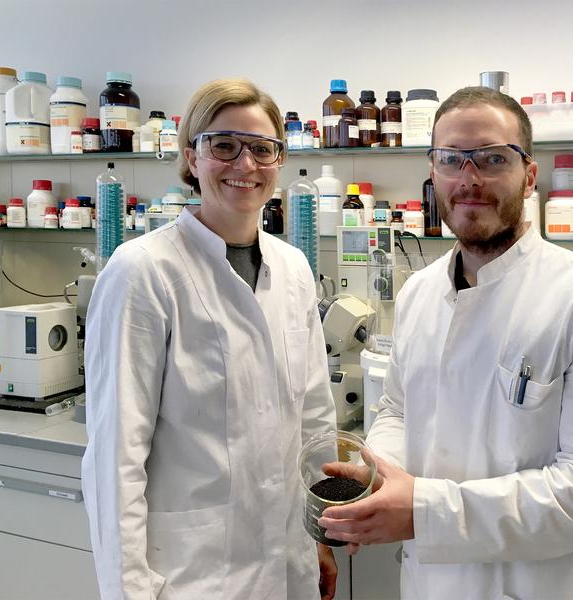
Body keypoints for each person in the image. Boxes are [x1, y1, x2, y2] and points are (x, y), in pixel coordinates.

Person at [318, 87, 573, 600]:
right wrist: (377, 474)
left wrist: (424, 512)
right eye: (452, 159)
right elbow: (398, 410)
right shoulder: (418, 294)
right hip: (431, 584)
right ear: (433, 171)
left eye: (493, 158)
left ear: (530, 176)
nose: (469, 179)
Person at [82, 78, 338, 600]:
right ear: (192, 157)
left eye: (263, 149)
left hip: (288, 559)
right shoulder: (143, 271)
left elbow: (314, 416)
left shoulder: (292, 267)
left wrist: (319, 534)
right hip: (192, 574)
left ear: (279, 161)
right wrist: (129, 591)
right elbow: (115, 458)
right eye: (224, 145)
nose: (246, 165)